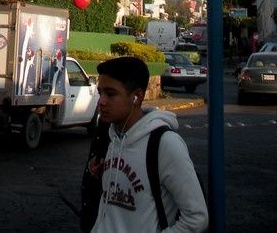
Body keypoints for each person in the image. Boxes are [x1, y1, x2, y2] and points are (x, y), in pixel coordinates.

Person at [87, 56, 208, 233]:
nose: (101, 101)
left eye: (110, 94)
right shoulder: (112, 138)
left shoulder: (165, 144)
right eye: (100, 93)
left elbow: (197, 217)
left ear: (136, 96)